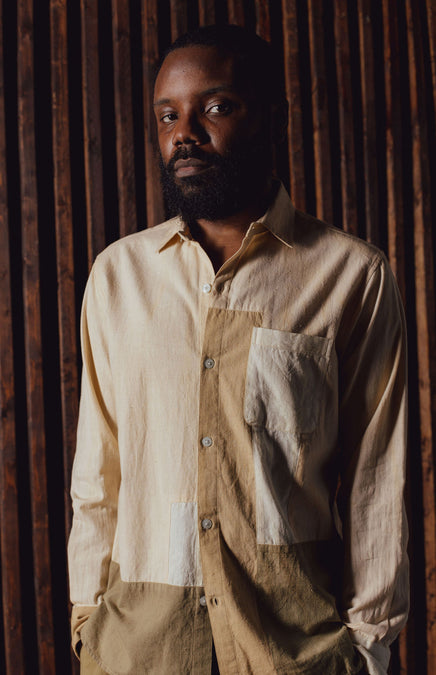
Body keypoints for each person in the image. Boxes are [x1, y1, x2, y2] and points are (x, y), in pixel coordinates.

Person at [67, 25, 408, 675]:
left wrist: (370, 644)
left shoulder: (351, 274)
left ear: (270, 116)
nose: (184, 131)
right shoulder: (119, 275)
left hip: (293, 648)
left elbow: (376, 478)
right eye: (168, 114)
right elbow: (99, 467)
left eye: (215, 106)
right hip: (141, 646)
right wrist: (90, 618)